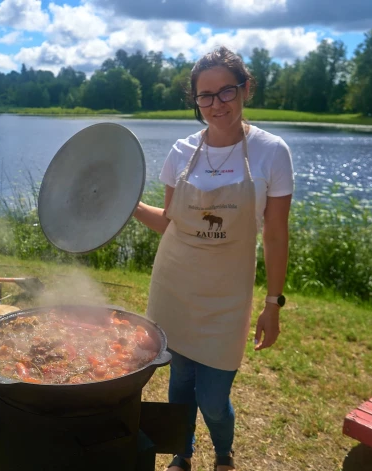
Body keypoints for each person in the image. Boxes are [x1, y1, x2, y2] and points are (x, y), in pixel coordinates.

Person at [133, 46, 294, 471]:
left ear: (245, 90)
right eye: (205, 96)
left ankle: (224, 455)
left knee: (214, 398)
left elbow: (276, 234)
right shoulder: (181, 151)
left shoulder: (271, 151)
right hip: (175, 286)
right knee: (180, 386)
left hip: (227, 296)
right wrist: (128, 204)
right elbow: (170, 222)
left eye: (226, 91)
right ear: (195, 100)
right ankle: (181, 456)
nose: (216, 104)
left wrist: (272, 304)